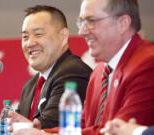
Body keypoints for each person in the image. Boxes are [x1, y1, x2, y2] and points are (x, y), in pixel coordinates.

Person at [11, 0, 154, 135]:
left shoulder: (148, 64)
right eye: (81, 22)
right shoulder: (99, 73)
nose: (82, 31)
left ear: (123, 23)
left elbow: (117, 131)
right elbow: (82, 126)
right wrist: (41, 132)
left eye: (91, 21)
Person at [13, 5, 92, 129]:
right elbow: (13, 129)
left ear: (63, 36)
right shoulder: (30, 85)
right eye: (25, 37)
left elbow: (48, 127)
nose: (30, 43)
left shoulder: (72, 72)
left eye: (38, 34)